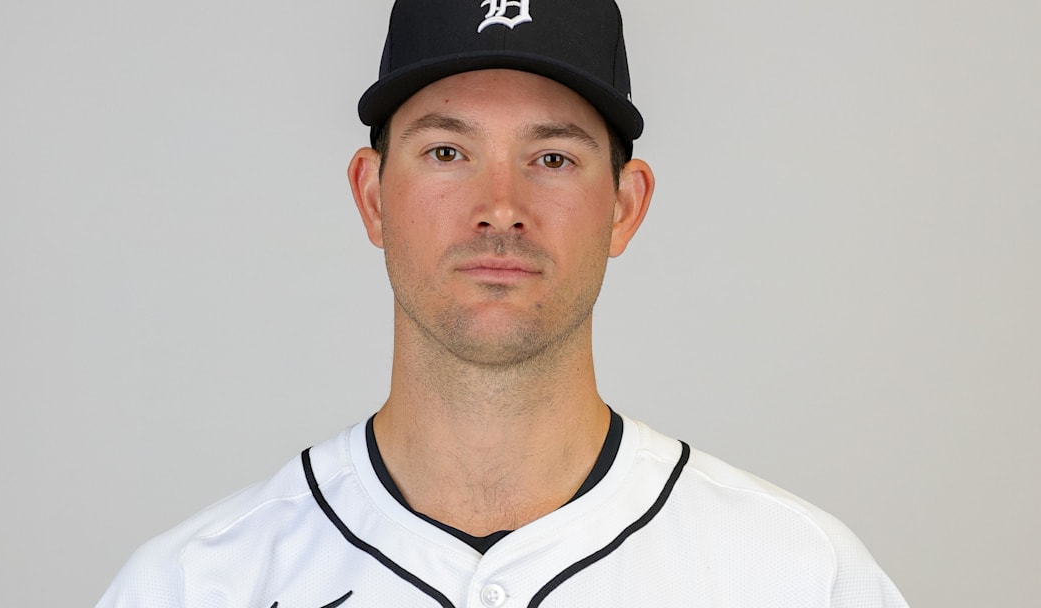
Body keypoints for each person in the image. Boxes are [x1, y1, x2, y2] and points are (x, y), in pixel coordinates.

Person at [97, 1, 909, 606]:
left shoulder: (797, 578)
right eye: (447, 151)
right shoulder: (194, 585)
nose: (500, 206)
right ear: (372, 196)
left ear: (624, 207)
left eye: (552, 157)